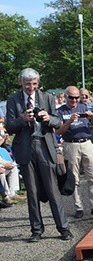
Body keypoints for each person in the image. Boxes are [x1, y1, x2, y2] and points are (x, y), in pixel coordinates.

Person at [5, 68, 72, 241]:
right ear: (21, 82)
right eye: (27, 83)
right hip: (25, 148)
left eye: (34, 83)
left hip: (44, 146)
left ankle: (63, 228)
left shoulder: (48, 98)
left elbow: (58, 122)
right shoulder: (13, 100)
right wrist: (22, 119)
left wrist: (48, 118)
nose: (31, 87)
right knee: (32, 193)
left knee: (52, 190)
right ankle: (36, 230)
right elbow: (9, 127)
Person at [56, 85, 93, 219]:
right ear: (66, 97)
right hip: (70, 144)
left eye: (77, 98)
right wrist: (69, 121)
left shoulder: (85, 107)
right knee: (74, 178)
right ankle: (78, 207)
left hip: (86, 142)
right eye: (71, 98)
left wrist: (92, 118)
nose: (74, 100)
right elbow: (58, 131)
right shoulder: (61, 111)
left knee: (92, 176)